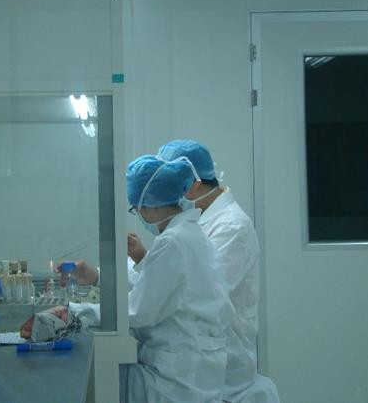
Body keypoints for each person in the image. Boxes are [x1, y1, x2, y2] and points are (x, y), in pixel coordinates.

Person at [52, 154, 234, 403]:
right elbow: (159, 287)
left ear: (153, 204)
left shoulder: (174, 241)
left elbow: (138, 310)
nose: (138, 213)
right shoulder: (191, 236)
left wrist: (73, 312)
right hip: (195, 372)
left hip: (173, 381)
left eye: (137, 208)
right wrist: (97, 276)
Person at [137, 139, 278, 403]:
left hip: (223, 371)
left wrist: (144, 263)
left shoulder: (231, 227)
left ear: (195, 184)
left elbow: (195, 290)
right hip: (200, 361)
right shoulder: (192, 221)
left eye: (170, 181)